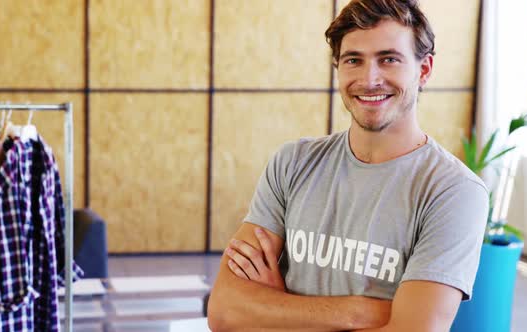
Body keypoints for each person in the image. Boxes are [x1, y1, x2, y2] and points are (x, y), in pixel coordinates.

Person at [207, 0, 489, 331]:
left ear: (423, 70)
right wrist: (360, 312)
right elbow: (225, 312)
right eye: (353, 60)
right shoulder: (292, 163)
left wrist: (279, 306)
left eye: (389, 59)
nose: (369, 79)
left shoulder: (452, 191)